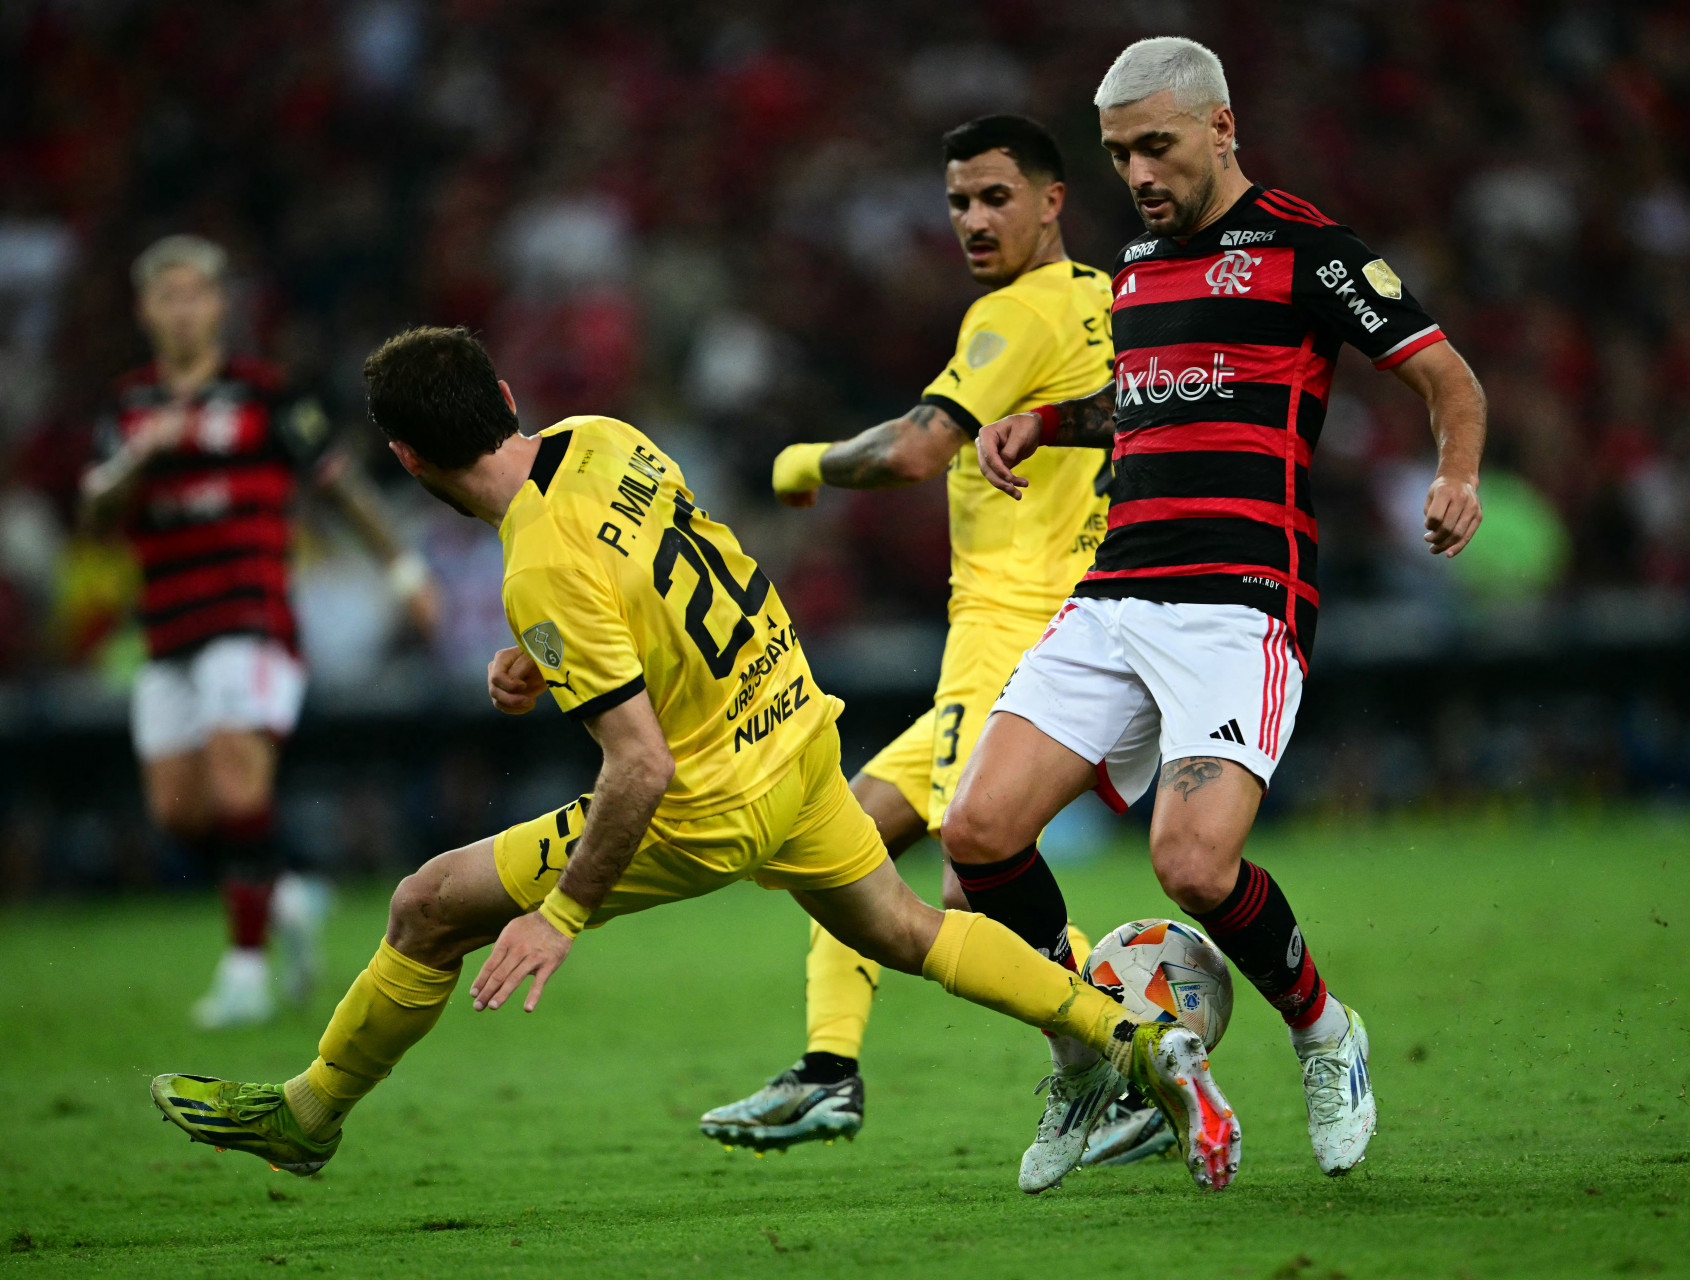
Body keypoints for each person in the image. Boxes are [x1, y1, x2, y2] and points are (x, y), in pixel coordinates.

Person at [148, 326, 1244, 1195]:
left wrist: (559, 913)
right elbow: (661, 581)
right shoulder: (604, 436)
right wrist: (546, 663)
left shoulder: (538, 567)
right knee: (906, 928)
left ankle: (309, 1112)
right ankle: (1138, 1041)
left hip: (709, 795)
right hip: (796, 727)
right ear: (510, 401)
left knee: (427, 902)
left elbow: (638, 768)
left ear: (406, 459)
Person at [950, 37, 1488, 1180]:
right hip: (1116, 590)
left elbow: (1449, 375)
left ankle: (1324, 1031)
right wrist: (1047, 420)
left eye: (1157, 144)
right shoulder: (1138, 266)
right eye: (1116, 154)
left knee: (1191, 864)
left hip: (1241, 600)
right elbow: (1147, 399)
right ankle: (1094, 1059)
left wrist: (1456, 473)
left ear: (1221, 127)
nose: (1137, 174)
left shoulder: (1310, 249)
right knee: (977, 836)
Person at [699, 114, 1163, 1181]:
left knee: (967, 885)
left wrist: (800, 462)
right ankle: (827, 1067)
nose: (972, 220)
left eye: (997, 196)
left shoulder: (1015, 315)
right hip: (1069, 621)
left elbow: (915, 449)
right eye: (958, 201)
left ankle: (1133, 1056)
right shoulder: (1109, 300)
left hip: (1014, 637)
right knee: (842, 832)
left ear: (1054, 198)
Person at [80, 235, 439, 1028]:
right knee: (178, 812)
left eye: (195, 292)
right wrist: (140, 460)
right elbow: (97, 515)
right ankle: (287, 895)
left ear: (218, 305)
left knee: (239, 783)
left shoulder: (265, 394)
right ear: (145, 311)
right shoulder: (129, 406)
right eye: (166, 295)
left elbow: (341, 490)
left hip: (250, 617)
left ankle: (245, 972)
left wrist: (406, 574)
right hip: (167, 626)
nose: (182, 307)